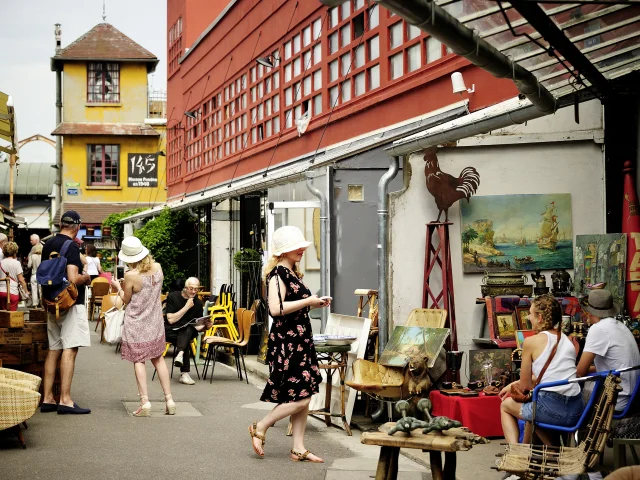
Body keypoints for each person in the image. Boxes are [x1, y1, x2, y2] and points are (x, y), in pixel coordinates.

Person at [248, 226, 331, 463]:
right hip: (288, 341)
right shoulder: (277, 275)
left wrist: (314, 303)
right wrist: (308, 301)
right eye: (298, 247)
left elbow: (294, 305)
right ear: (284, 251)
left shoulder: (293, 273)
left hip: (300, 339)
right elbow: (276, 309)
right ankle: (260, 426)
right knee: (302, 398)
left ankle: (298, 448)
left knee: (303, 392)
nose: (303, 250)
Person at [499, 295, 584, 444]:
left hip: (550, 410)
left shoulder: (530, 342)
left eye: (530, 314)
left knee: (505, 406)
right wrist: (511, 385)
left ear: (539, 317)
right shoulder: (567, 340)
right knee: (533, 407)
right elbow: (554, 374)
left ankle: (516, 453)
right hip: (576, 411)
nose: (528, 318)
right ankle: (549, 450)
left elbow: (525, 386)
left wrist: (516, 385)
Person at [110, 236, 175, 417]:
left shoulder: (131, 276)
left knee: (139, 361)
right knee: (158, 359)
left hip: (136, 323)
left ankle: (145, 402)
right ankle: (169, 400)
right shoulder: (158, 268)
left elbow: (125, 299)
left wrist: (117, 286)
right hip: (154, 321)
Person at [41, 211, 92, 414]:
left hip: (52, 301)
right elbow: (73, 278)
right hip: (70, 303)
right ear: (76, 226)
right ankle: (65, 399)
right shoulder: (71, 246)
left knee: (54, 349)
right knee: (70, 349)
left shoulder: (49, 244)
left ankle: (47, 398)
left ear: (61, 224)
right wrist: (86, 278)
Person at [577, 289, 640, 412]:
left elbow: (580, 373)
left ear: (589, 313)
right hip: (633, 397)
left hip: (616, 399)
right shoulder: (621, 326)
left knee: (570, 396)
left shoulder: (598, 329)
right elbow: (615, 364)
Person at [165, 277, 211, 385]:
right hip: (172, 331)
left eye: (196, 289)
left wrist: (206, 326)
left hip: (189, 331)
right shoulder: (173, 297)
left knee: (188, 328)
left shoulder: (198, 303)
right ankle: (184, 374)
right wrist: (186, 307)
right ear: (185, 288)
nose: (194, 292)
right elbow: (170, 320)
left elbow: (198, 326)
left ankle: (180, 355)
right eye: (191, 289)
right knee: (184, 338)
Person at [0, 241, 30, 311]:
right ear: (14, 251)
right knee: (12, 316)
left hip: (1, 291)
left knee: (3, 315)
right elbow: (21, 280)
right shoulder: (16, 263)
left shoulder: (1, 263)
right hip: (12, 292)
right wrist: (26, 291)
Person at [27, 243, 42, 307]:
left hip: (34, 274)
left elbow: (29, 266)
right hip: (41, 275)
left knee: (34, 290)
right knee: (41, 290)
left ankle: (35, 304)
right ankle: (42, 303)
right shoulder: (42, 256)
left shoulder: (32, 256)